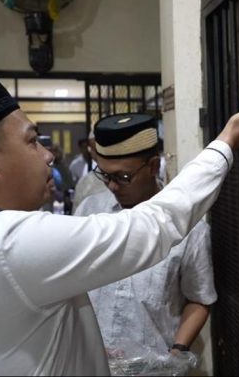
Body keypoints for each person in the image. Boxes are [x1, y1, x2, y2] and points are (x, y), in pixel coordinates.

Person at [0, 71, 239, 375]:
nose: (49, 155)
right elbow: (151, 228)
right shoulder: (5, 244)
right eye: (33, 141)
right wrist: (227, 140)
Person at [74, 114, 216, 375]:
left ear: (152, 166)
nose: (112, 186)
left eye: (123, 177)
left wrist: (176, 352)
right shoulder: (88, 212)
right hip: (87, 362)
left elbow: (199, 297)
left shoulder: (189, 227)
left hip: (153, 369)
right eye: (104, 176)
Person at [73, 130, 108, 209]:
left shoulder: (124, 177)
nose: (97, 152)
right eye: (93, 148)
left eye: (100, 147)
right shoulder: (85, 182)